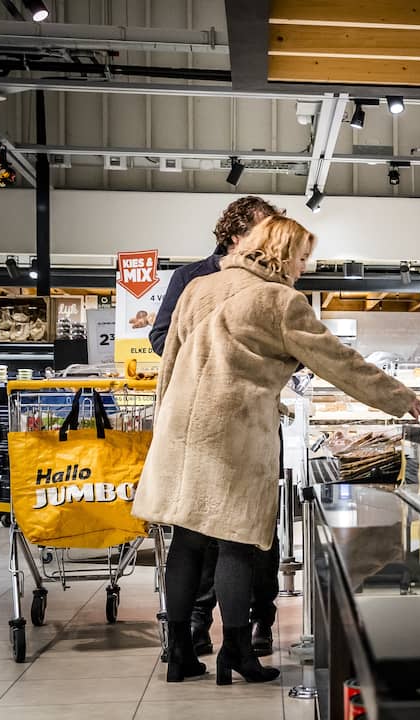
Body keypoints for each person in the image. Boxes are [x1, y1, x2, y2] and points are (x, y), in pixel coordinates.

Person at [134, 216, 420, 685]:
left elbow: (169, 359)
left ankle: (178, 655)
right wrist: (399, 397)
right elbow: (339, 362)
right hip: (234, 429)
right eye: (303, 256)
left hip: (181, 428)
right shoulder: (280, 301)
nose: (305, 267)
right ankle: (236, 653)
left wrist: (163, 426)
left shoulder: (199, 288)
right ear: (281, 252)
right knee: (236, 540)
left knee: (187, 541)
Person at [149, 196, 282, 658]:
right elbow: (162, 338)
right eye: (266, 232)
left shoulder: (271, 282)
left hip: (253, 420)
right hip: (203, 422)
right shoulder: (191, 279)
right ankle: (200, 631)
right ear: (236, 234)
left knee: (257, 534)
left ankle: (258, 621)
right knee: (202, 533)